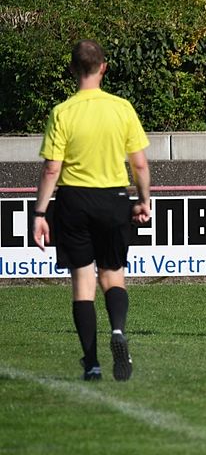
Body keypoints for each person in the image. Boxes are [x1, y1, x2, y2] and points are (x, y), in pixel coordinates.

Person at [33, 39, 152, 381]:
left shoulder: (62, 112)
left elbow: (52, 169)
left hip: (74, 201)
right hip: (113, 198)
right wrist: (143, 200)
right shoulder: (121, 108)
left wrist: (39, 214)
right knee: (113, 276)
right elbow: (139, 164)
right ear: (104, 67)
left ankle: (92, 362)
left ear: (72, 69)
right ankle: (118, 330)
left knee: (83, 283)